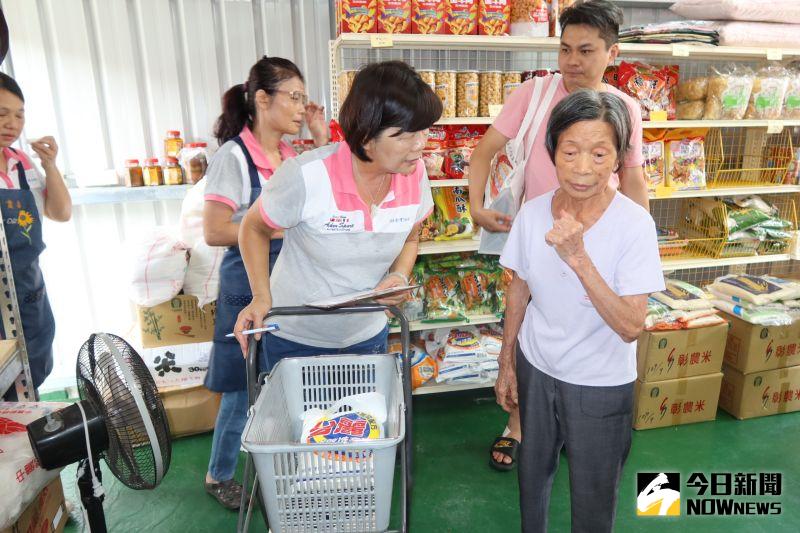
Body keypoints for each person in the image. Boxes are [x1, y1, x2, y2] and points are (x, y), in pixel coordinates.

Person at [467, 0, 648, 471]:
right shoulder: (532, 96)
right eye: (565, 49)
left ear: (611, 52)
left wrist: (642, 242)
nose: (572, 61)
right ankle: (519, 423)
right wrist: (475, 207)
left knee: (586, 326)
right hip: (536, 237)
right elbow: (484, 152)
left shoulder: (625, 108)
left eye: (586, 50)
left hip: (594, 240)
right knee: (525, 326)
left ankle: (572, 422)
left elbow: (632, 179)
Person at [494, 89, 664, 532]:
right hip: (537, 365)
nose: (583, 168)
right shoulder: (532, 214)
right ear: (553, 152)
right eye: (570, 151)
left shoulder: (634, 226)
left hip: (599, 382)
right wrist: (507, 358)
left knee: (593, 493)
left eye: (599, 153)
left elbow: (631, 326)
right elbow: (519, 287)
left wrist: (578, 256)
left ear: (617, 159)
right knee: (532, 477)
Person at [232, 60, 441, 376]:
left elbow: (411, 237)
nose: (420, 145)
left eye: (424, 131)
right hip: (295, 340)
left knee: (361, 423)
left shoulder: (414, 174)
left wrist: (398, 275)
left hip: (367, 336)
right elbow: (254, 227)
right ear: (367, 135)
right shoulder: (307, 176)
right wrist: (261, 296)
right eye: (404, 135)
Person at [201, 56, 328, 510]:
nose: (300, 107)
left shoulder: (292, 156)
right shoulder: (233, 157)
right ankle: (219, 474)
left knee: (280, 383)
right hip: (246, 290)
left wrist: (319, 139)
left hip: (286, 289)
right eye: (293, 97)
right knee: (241, 390)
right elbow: (215, 230)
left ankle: (284, 465)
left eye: (303, 98)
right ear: (261, 99)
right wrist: (274, 228)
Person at [0, 73, 71, 399]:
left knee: (32, 365)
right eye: (2, 113)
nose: (12, 123)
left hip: (29, 285)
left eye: (19, 114)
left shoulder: (21, 162)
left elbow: (60, 212)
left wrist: (50, 165)